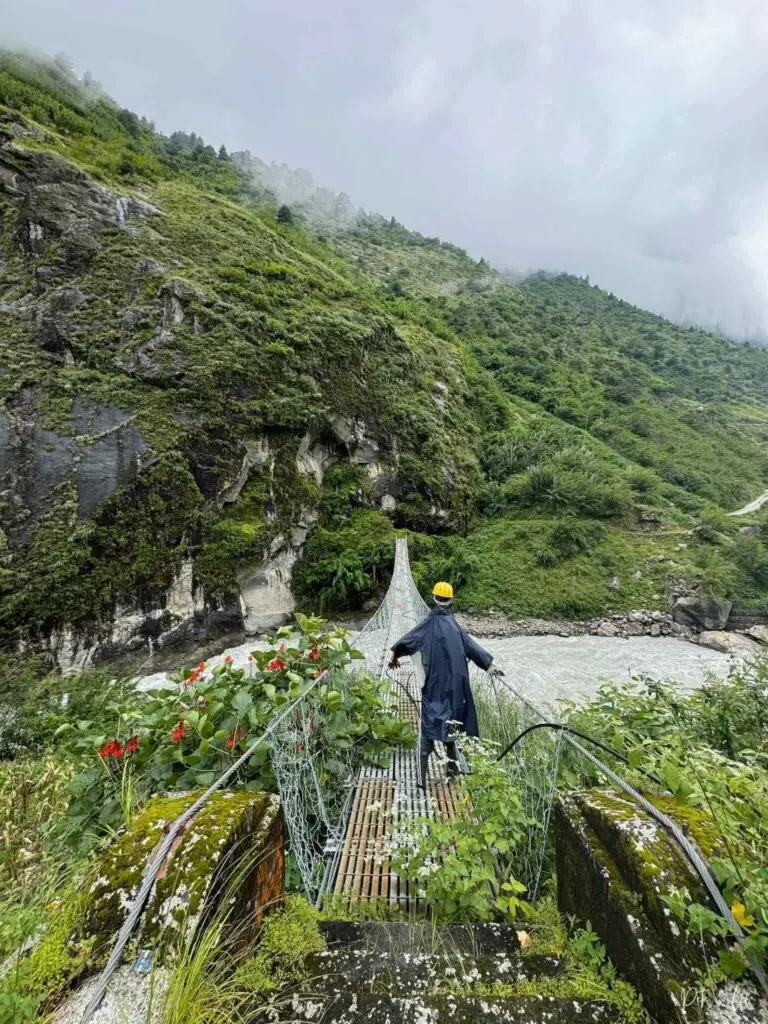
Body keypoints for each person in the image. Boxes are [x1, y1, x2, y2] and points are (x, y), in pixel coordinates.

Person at [388, 581, 504, 789]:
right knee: (452, 727)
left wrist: (395, 656)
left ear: (433, 598)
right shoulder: (456, 627)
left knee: (429, 727)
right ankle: (452, 774)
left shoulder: (427, 625)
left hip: (434, 686)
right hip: (455, 689)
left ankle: (421, 780)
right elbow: (472, 647)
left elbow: (407, 641)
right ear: (451, 600)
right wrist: (490, 666)